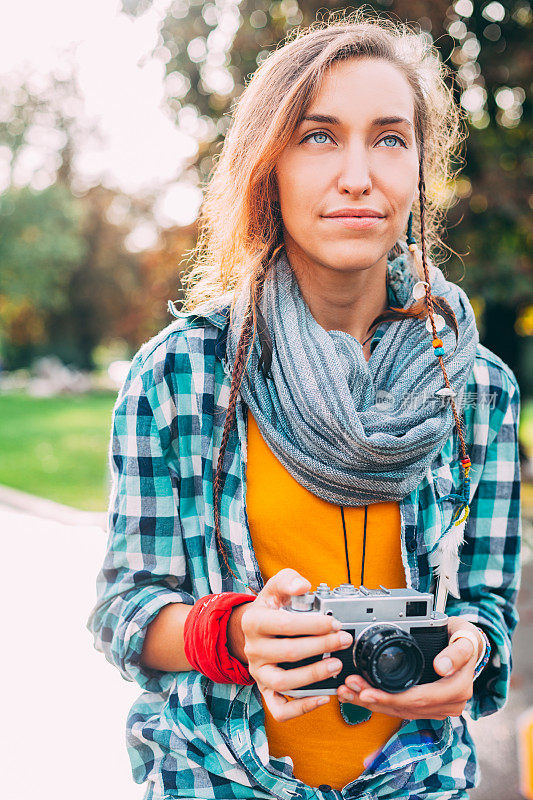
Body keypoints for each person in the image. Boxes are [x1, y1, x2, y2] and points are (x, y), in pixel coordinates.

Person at [87, 11, 522, 800]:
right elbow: (124, 611)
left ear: (420, 169)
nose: (358, 174)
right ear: (269, 165)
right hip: (217, 778)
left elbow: (487, 607)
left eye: (389, 139)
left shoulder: (477, 388)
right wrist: (229, 635)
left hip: (417, 779)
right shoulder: (179, 377)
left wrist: (468, 653)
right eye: (319, 136)